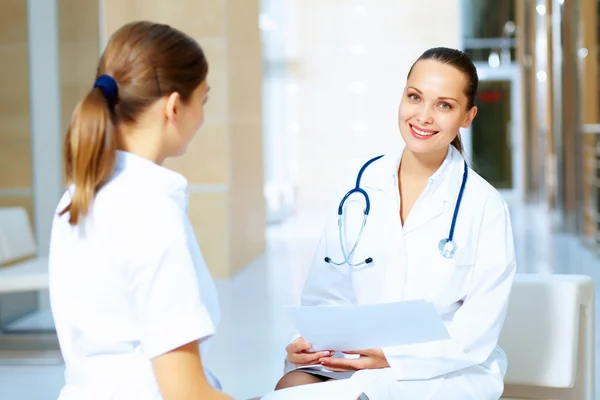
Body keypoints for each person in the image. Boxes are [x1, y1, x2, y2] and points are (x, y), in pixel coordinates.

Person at [272, 47, 517, 400]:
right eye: (415, 97)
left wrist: (392, 358)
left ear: (467, 116)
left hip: (443, 372)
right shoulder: (358, 186)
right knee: (290, 387)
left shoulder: (485, 207)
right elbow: (325, 294)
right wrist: (312, 345)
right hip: (356, 358)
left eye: (444, 105)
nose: (423, 116)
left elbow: (476, 332)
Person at [48, 21, 233, 400]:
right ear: (175, 107)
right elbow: (186, 394)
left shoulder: (76, 198)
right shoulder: (149, 212)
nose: (202, 116)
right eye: (204, 100)